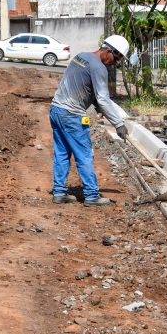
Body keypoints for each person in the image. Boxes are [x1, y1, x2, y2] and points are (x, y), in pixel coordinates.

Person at [50, 35, 130, 207]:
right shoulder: (98, 67)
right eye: (115, 59)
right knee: (84, 155)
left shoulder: (81, 56)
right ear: (108, 51)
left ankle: (59, 192)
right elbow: (103, 99)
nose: (114, 63)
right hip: (72, 116)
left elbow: (83, 86)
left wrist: (95, 105)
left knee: (62, 153)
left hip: (56, 110)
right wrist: (119, 124)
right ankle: (92, 196)